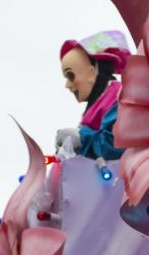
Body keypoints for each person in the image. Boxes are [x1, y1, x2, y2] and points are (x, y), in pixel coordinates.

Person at [56, 31, 130, 161]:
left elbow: (117, 144)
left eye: (71, 76)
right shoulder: (95, 107)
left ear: (91, 72)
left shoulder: (121, 96)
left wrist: (81, 138)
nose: (67, 85)